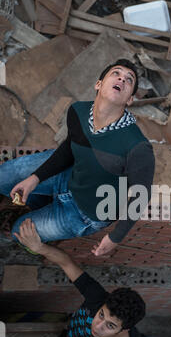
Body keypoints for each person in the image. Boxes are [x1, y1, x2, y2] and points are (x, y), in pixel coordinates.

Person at [0, 59, 155, 256]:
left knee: (17, 230)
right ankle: (40, 201)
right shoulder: (78, 111)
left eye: (129, 80)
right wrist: (35, 178)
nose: (122, 79)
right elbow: (69, 148)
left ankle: (44, 215)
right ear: (98, 84)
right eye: (116, 73)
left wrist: (115, 237)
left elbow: (141, 195)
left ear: (130, 100)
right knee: (3, 177)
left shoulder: (137, 146)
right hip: (69, 176)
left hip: (84, 213)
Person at [14, 218, 146, 337]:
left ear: (125, 329)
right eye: (101, 315)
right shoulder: (97, 297)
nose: (97, 326)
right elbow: (67, 263)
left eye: (110, 326)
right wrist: (39, 247)